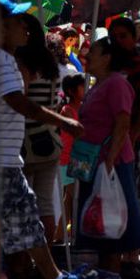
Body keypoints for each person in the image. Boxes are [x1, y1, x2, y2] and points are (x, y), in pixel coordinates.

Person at [0, 0, 95, 279]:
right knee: (27, 221)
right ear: (1, 28)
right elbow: (20, 103)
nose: (25, 26)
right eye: (18, 21)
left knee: (24, 223)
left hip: (3, 160)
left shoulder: (0, 58)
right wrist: (65, 122)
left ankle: (43, 277)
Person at [76, 37, 140, 275]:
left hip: (112, 164)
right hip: (95, 163)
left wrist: (109, 160)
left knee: (111, 224)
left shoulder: (116, 84)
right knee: (100, 225)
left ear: (107, 58)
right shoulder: (99, 84)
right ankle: (105, 275)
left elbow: (123, 122)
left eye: (93, 52)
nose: (87, 56)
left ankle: (112, 275)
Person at [107, 18, 140, 275]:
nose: (118, 41)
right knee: (116, 198)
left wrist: (131, 136)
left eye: (123, 36)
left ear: (134, 37)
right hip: (111, 142)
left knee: (132, 197)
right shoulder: (112, 64)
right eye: (114, 36)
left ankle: (133, 256)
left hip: (134, 143)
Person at [15, 14, 63, 246]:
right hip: (50, 141)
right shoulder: (50, 63)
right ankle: (47, 254)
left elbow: (21, 101)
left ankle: (29, 257)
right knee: (44, 203)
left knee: (23, 204)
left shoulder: (22, 64)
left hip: (27, 144)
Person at [54, 73, 86, 244]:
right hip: (68, 161)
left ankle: (59, 235)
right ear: (72, 91)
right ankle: (77, 236)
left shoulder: (83, 107)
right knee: (77, 199)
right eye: (82, 86)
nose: (86, 89)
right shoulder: (67, 110)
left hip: (79, 159)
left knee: (70, 201)